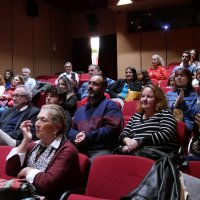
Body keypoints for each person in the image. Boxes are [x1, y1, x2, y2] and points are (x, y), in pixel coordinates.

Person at [5, 104, 81, 200]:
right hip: (28, 194)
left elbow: (48, 184)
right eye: (37, 119)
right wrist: (25, 140)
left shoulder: (67, 150)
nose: (37, 124)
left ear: (57, 127)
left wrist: (27, 170)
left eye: (43, 120)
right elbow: (11, 170)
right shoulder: (34, 145)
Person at [67, 74, 123, 161]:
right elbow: (71, 130)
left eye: (95, 84)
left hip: (101, 148)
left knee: (91, 165)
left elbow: (111, 129)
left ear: (104, 88)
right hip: (81, 148)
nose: (90, 86)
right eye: (89, 83)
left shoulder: (110, 105)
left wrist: (87, 136)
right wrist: (76, 135)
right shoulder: (80, 110)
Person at [118, 84, 179, 160]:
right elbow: (123, 134)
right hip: (136, 153)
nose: (144, 99)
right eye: (143, 96)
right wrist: (128, 141)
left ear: (158, 99)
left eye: (149, 97)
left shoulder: (165, 113)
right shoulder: (136, 116)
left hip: (157, 156)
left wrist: (138, 143)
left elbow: (166, 134)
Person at [166, 68, 197, 133]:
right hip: (169, 123)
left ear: (188, 79)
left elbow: (196, 114)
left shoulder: (195, 95)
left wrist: (183, 103)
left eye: (182, 75)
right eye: (177, 76)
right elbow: (164, 111)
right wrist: (175, 104)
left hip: (187, 125)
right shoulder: (169, 94)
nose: (179, 78)